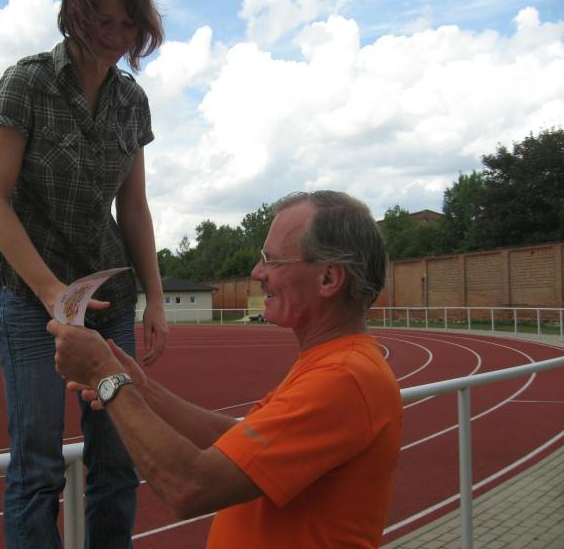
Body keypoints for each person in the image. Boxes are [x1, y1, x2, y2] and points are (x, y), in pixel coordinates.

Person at [50, 190, 403, 548]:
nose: (257, 272)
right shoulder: (333, 364)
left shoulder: (344, 378)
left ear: (328, 278)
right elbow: (238, 442)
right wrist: (141, 389)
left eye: (272, 261)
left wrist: (106, 376)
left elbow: (191, 486)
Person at [0, 0, 168, 547]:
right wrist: (50, 292)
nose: (116, 37)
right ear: (76, 16)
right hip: (31, 299)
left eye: (128, 24)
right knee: (37, 468)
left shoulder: (132, 102)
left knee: (117, 460)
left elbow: (133, 208)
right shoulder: (26, 83)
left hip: (108, 299)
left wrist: (155, 298)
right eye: (104, 22)